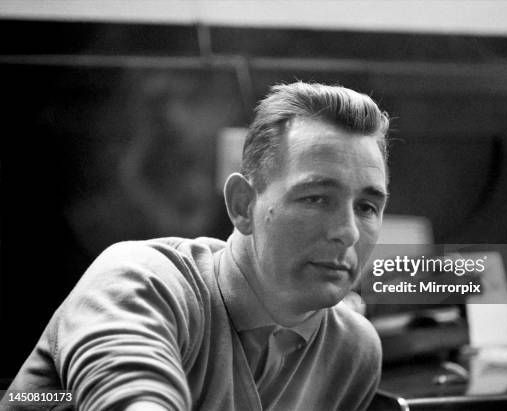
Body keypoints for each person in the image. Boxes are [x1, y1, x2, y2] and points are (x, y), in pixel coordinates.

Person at [7, 82, 390, 410]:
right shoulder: (140, 282)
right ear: (243, 205)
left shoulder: (353, 351)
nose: (349, 231)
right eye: (317, 198)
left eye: (367, 207)